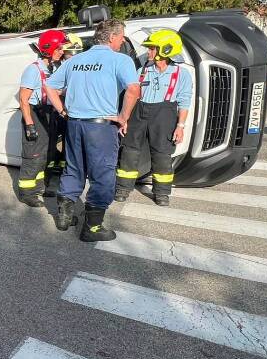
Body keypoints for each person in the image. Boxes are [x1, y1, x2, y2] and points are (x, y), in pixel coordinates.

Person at [44, 19, 141, 242]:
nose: (122, 40)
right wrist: (123, 117)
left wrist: (62, 111)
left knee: (73, 168)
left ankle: (64, 218)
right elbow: (133, 90)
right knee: (102, 174)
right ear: (112, 37)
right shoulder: (120, 60)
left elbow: (49, 86)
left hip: (74, 124)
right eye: (121, 36)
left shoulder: (75, 60)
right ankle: (93, 227)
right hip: (101, 127)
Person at [115, 29, 193, 206]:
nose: (148, 52)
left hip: (164, 115)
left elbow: (184, 101)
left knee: (162, 155)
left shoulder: (181, 74)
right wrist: (125, 119)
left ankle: (162, 193)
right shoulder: (142, 70)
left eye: (152, 49)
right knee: (129, 151)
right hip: (139, 113)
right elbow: (131, 94)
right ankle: (122, 188)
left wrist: (180, 126)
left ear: (165, 50)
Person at [17, 29, 66, 206]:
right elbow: (23, 99)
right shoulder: (33, 70)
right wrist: (30, 125)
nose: (62, 51)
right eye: (59, 48)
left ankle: (39, 187)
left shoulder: (52, 68)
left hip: (48, 114)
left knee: (46, 154)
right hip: (35, 115)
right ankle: (26, 192)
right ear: (48, 48)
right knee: (33, 154)